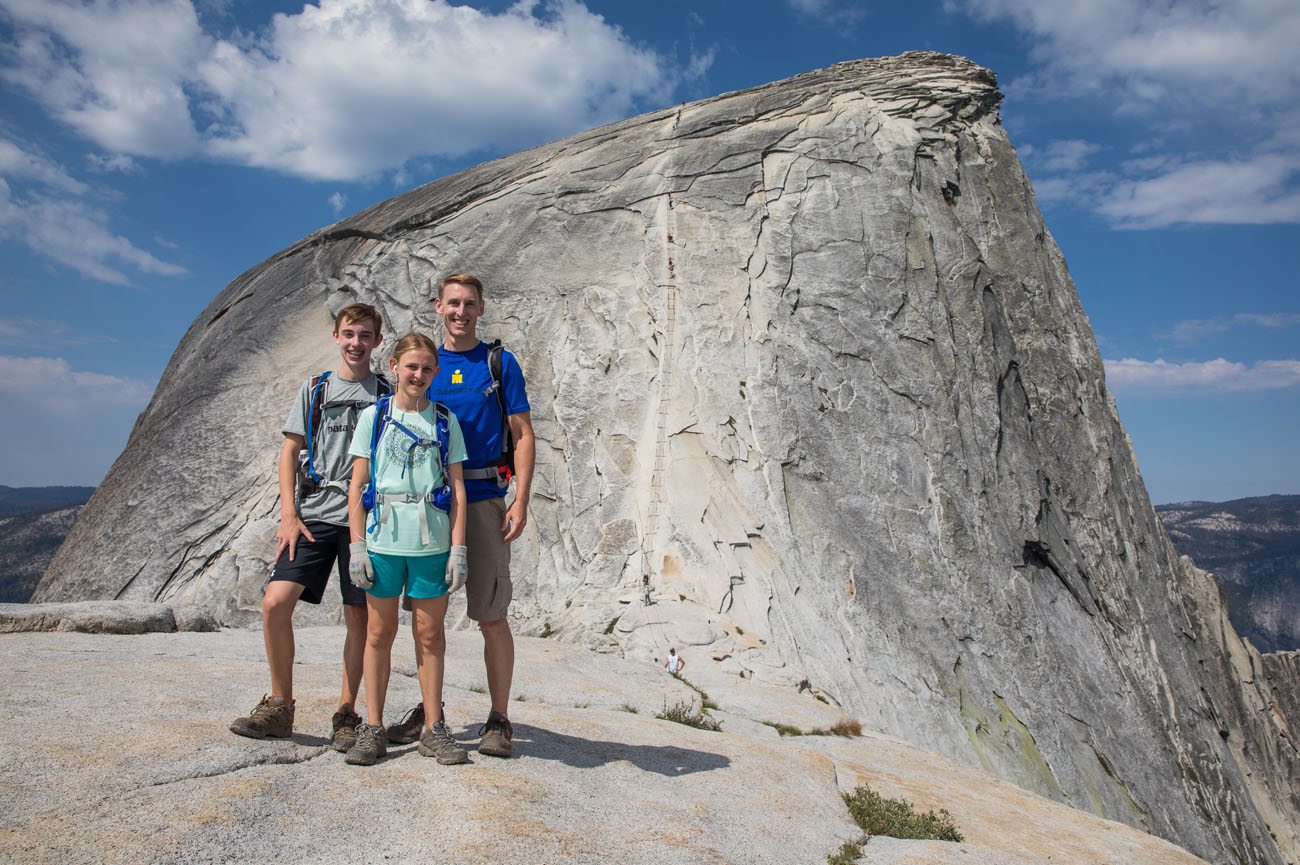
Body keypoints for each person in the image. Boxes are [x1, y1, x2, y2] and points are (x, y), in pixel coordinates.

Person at [386, 273, 534, 759]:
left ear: (481, 308)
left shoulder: (498, 363)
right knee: (427, 618)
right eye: (453, 303)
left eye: (469, 304)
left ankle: (499, 717)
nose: (461, 312)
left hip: (485, 496)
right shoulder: (427, 363)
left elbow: (522, 433)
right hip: (431, 503)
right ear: (438, 306)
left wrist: (521, 499)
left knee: (491, 614)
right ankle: (432, 715)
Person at [230, 304, 385, 748]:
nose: (356, 343)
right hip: (315, 512)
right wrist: (289, 514)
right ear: (336, 336)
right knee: (276, 601)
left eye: (365, 335)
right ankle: (280, 705)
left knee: (359, 615)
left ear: (377, 341)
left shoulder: (385, 394)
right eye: (349, 334)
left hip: (364, 519)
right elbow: (290, 450)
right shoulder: (315, 389)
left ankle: (347, 713)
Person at [343, 332, 471, 766]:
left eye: (427, 368)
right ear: (394, 367)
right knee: (378, 634)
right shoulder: (374, 416)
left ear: (436, 372)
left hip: (431, 541)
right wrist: (357, 545)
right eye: (411, 366)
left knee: (430, 635)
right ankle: (373, 727)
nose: (418, 375)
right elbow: (357, 484)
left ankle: (434, 727)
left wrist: (458, 549)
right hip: (383, 540)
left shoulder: (444, 420)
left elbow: (457, 489)